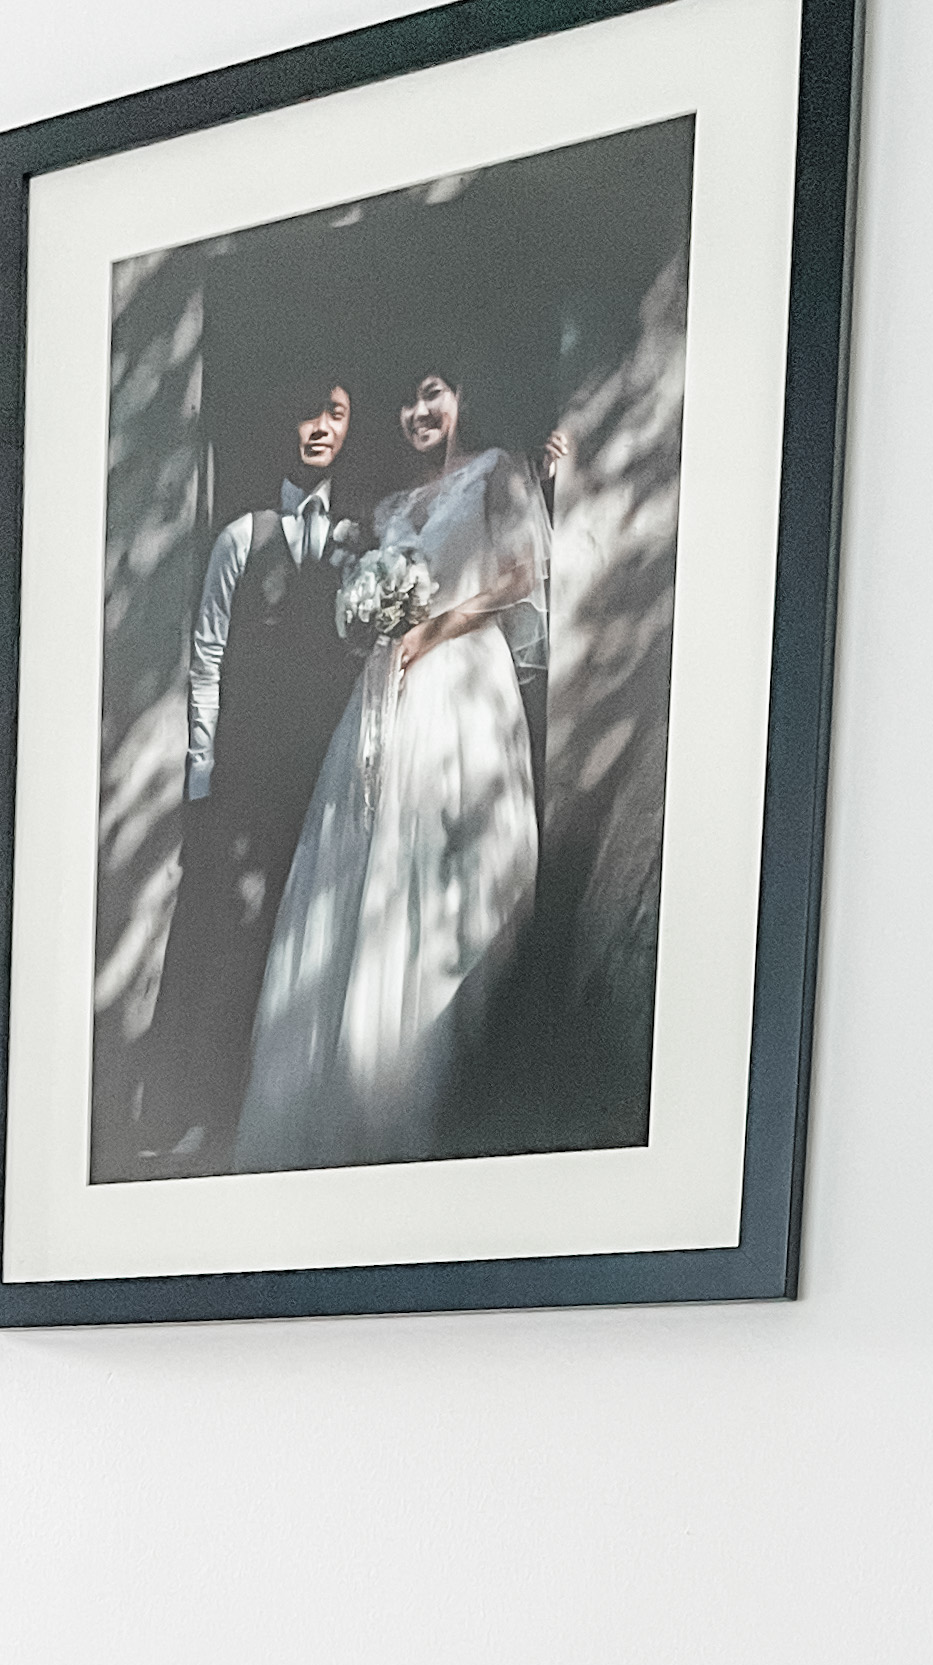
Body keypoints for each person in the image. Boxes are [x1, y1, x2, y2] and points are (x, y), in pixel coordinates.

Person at [236, 370, 569, 1171]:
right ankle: (348, 1088)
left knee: (445, 855)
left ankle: (438, 1086)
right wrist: (375, 622)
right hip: (386, 694)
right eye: (408, 403)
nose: (419, 414)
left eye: (434, 395)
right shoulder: (386, 509)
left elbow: (522, 574)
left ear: (462, 397)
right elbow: (364, 612)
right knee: (361, 860)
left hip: (459, 685)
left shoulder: (496, 472)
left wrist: (435, 628)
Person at [136, 371, 368, 1166]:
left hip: (319, 776)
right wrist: (203, 777)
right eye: (306, 411)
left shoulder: (356, 544)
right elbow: (205, 660)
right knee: (230, 941)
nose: (318, 428)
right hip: (246, 780)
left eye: (333, 414)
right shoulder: (242, 536)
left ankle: (282, 1119)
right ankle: (201, 1112)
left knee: (302, 938)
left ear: (348, 427)